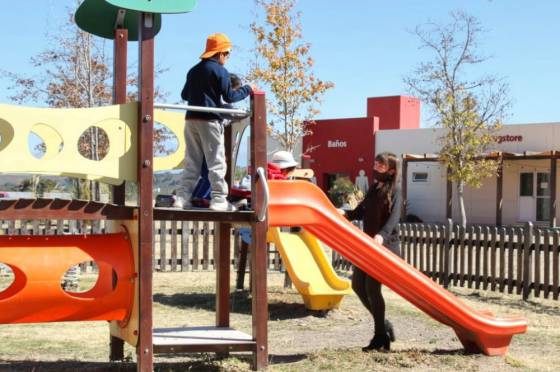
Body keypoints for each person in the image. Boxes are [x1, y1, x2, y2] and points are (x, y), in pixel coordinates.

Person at [176, 33, 255, 212]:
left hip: (191, 119)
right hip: (209, 120)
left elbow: (184, 95)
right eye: (227, 54)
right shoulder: (220, 71)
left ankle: (182, 198)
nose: (227, 58)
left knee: (192, 161)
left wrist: (203, 95)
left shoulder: (194, 70)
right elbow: (231, 96)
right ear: (220, 53)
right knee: (216, 162)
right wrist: (248, 89)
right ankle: (219, 199)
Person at [340, 152, 402, 352]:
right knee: (358, 285)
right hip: (369, 245)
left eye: (381, 165)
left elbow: (394, 218)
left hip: (385, 246)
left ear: (391, 170)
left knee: (372, 289)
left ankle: (379, 338)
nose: (376, 166)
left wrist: (382, 235)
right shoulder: (374, 188)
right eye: (376, 162)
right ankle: (383, 326)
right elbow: (360, 211)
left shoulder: (396, 189)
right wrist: (344, 213)